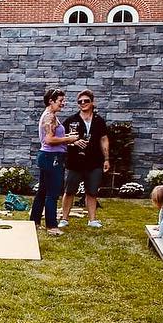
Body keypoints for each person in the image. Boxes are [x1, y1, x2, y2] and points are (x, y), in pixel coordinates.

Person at [60, 90, 111, 229]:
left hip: (94, 162)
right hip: (75, 162)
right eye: (80, 102)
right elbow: (60, 139)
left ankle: (92, 220)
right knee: (69, 191)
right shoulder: (71, 120)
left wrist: (106, 159)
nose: (83, 103)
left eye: (86, 101)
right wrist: (73, 142)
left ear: (92, 102)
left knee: (92, 192)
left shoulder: (99, 121)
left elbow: (104, 139)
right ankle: (64, 219)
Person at [30, 89, 78, 236]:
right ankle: (51, 226)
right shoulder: (49, 117)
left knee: (43, 191)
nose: (63, 103)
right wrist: (68, 139)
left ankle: (34, 222)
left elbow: (51, 138)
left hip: (49, 157)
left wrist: (68, 138)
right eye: (60, 101)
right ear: (51, 101)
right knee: (52, 192)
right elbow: (49, 140)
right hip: (52, 158)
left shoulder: (50, 116)